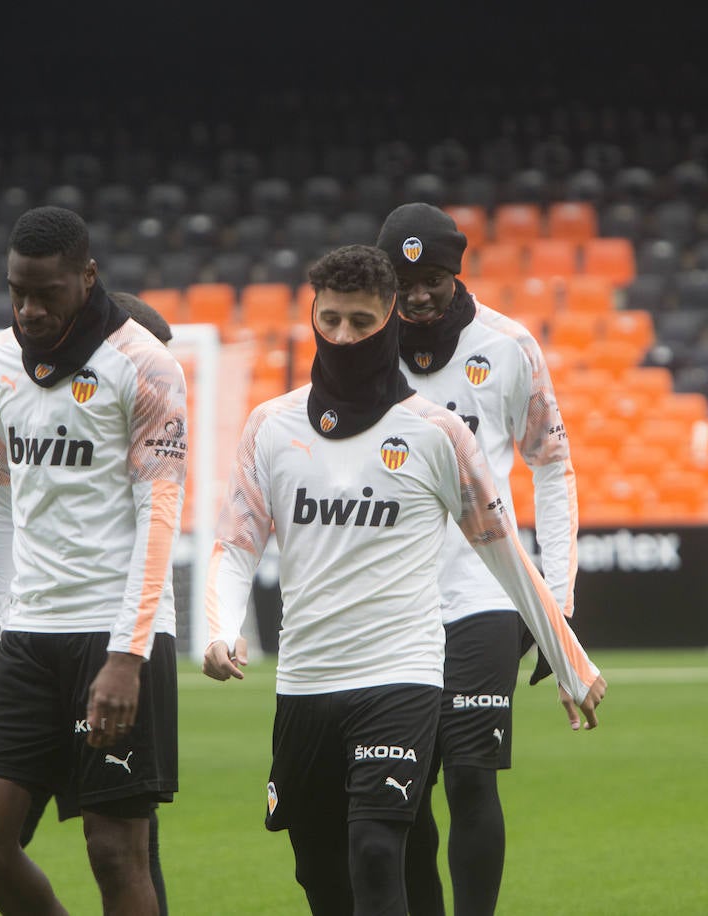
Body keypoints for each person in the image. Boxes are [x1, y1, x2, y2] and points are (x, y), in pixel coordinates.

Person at [202, 244, 606, 916]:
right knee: (322, 874)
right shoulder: (269, 426)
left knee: (377, 852)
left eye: (361, 322)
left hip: (402, 674)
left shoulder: (437, 434)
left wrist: (570, 659)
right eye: (329, 320)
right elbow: (234, 545)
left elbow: (502, 549)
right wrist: (221, 627)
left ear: (389, 319)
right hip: (306, 680)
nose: (343, 336)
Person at [0, 208, 187, 916]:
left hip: (115, 636)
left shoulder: (144, 364)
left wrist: (127, 654)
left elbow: (160, 514)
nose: (28, 308)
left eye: (45, 292)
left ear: (87, 278)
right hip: (28, 634)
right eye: (17, 291)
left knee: (117, 853)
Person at [373, 202, 578, 916]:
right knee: (403, 788)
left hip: (486, 592)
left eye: (431, 279)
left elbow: (551, 464)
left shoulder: (508, 345)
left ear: (455, 273)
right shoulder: (364, 346)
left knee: (469, 775)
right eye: (403, 283)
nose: (418, 295)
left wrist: (557, 598)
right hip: (393, 601)